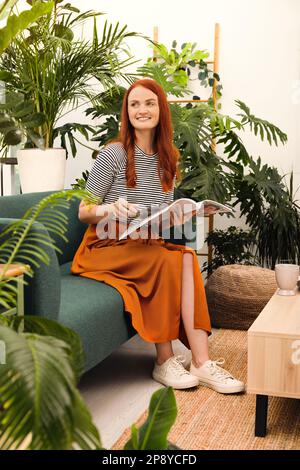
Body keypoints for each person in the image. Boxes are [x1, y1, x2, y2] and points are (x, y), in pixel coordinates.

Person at [71, 78, 245, 394]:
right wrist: (110, 209)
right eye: (134, 104)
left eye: (149, 103)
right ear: (127, 112)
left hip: (141, 242)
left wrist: (186, 213)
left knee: (186, 256)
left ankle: (202, 363)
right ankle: (164, 361)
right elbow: (84, 211)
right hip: (103, 245)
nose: (142, 110)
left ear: (160, 109)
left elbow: (156, 220)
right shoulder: (113, 154)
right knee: (165, 260)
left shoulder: (168, 158)